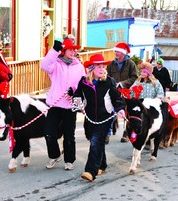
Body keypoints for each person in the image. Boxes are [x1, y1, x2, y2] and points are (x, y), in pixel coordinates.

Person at [72, 53, 125, 182]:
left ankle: (90, 171)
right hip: (90, 118)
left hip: (105, 117)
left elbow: (117, 98)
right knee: (94, 140)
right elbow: (78, 95)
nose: (102, 69)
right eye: (98, 67)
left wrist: (120, 109)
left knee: (96, 142)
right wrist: (78, 105)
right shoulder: (84, 82)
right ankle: (102, 164)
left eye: (103, 66)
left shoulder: (108, 82)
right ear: (91, 69)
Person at [41, 38, 85, 170]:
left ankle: (69, 160)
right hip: (55, 104)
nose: (73, 52)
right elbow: (44, 65)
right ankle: (54, 155)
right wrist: (54, 50)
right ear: (64, 50)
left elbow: (83, 84)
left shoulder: (79, 66)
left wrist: (75, 90)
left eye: (74, 50)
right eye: (70, 49)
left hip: (70, 105)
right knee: (49, 132)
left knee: (69, 135)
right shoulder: (55, 64)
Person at [107, 42, 138, 143]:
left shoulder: (131, 64)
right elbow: (107, 76)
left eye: (118, 52)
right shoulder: (111, 64)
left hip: (127, 92)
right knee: (110, 112)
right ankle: (107, 134)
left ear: (123, 53)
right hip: (114, 91)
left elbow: (134, 77)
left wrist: (122, 84)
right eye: (115, 51)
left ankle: (126, 133)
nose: (116, 53)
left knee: (127, 112)